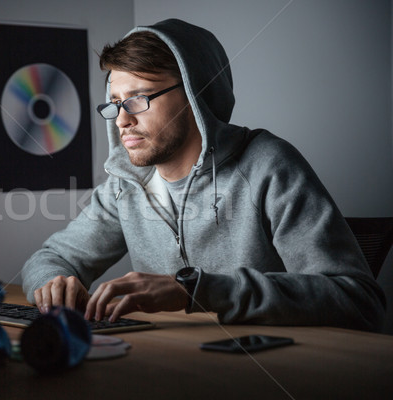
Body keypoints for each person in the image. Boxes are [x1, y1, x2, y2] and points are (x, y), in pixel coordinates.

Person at [21, 19, 385, 331]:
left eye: (138, 98)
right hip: (179, 366)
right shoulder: (127, 183)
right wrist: (54, 284)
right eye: (114, 103)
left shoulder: (268, 165)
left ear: (196, 94)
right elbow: (49, 258)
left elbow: (358, 300)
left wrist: (198, 290)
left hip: (274, 372)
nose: (122, 120)